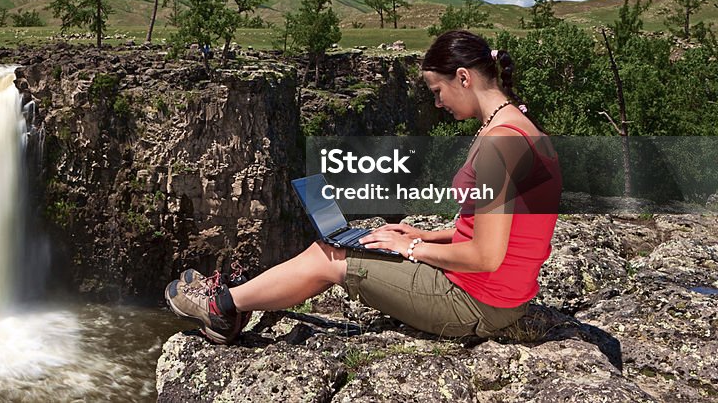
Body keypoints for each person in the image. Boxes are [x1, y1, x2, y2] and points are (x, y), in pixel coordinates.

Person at [165, 30, 562, 344]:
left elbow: (486, 256)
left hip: (476, 302)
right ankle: (237, 302)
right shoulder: (522, 129)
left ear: (464, 77)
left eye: (438, 92)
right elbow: (502, 230)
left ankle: (221, 307)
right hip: (503, 295)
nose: (438, 104)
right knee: (349, 243)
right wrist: (425, 234)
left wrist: (411, 248)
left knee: (328, 258)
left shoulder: (499, 143)